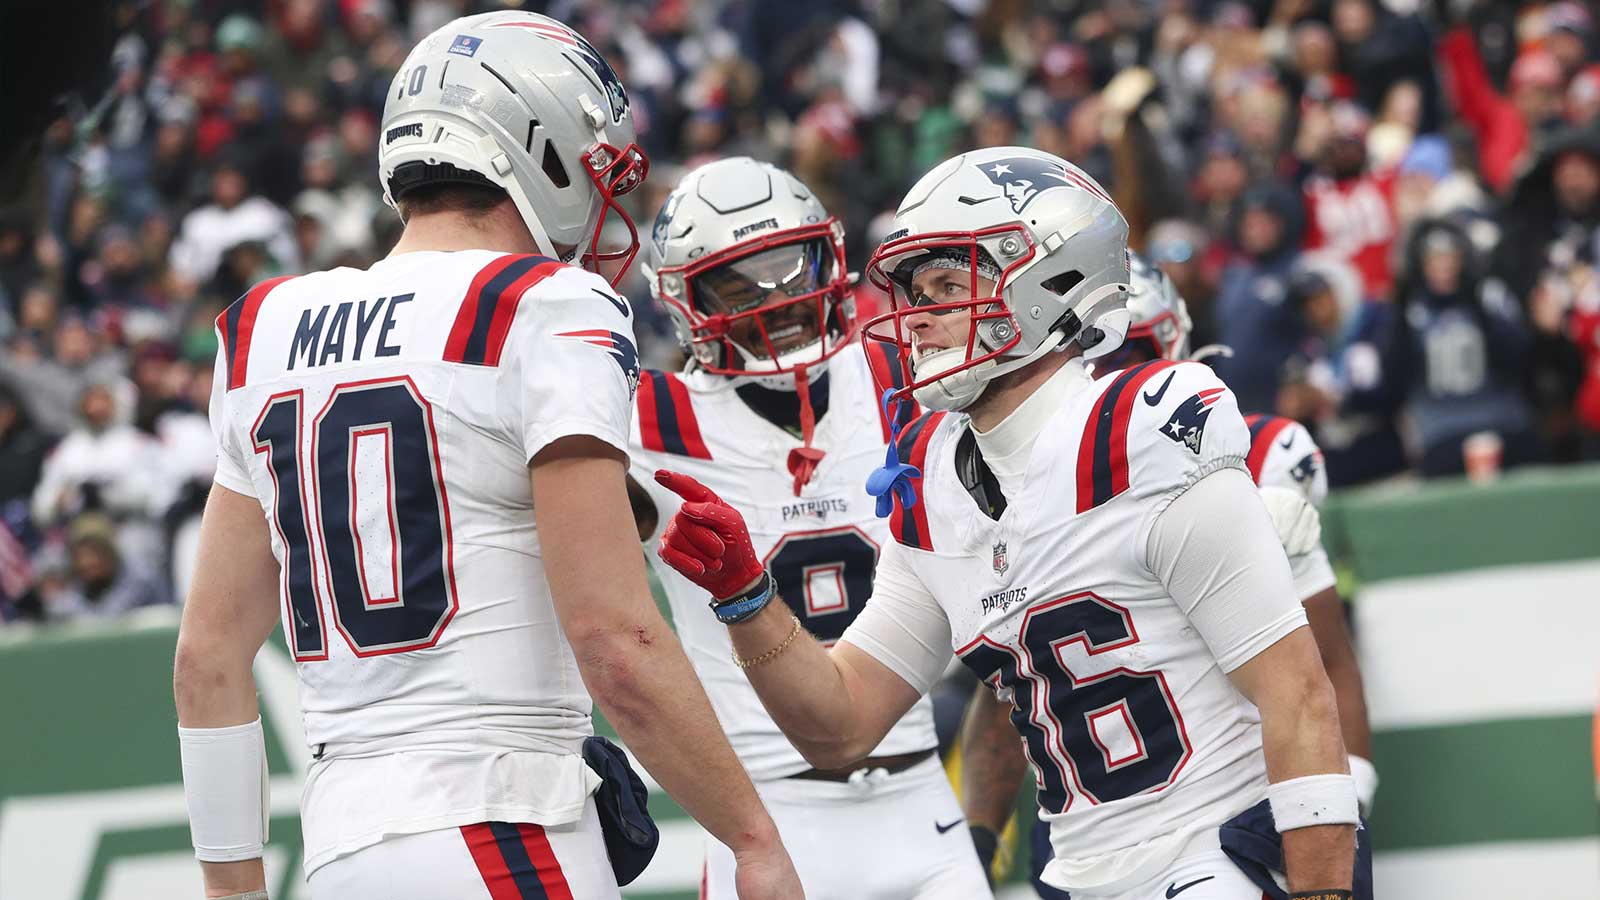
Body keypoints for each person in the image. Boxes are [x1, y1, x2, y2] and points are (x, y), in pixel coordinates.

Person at [171, 12, 800, 900]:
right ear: (536, 149)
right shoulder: (544, 305)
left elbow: (207, 658)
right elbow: (614, 639)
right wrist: (752, 837)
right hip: (500, 820)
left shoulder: (265, 327)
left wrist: (232, 892)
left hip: (343, 849)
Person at [651, 147, 1367, 899]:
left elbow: (1298, 694)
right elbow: (840, 723)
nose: (918, 316)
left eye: (947, 284)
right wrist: (747, 598)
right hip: (1078, 873)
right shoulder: (931, 477)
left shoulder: (1141, 431)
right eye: (916, 290)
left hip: (1217, 853)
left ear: (1048, 282)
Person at [628, 155, 991, 899]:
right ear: (683, 300)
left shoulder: (902, 374)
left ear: (830, 257)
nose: (780, 300)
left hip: (922, 792)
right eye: (739, 284)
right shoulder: (646, 420)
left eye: (794, 269)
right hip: (769, 812)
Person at [957, 254, 1377, 894]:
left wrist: (1346, 789)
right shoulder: (1014, 485)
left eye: (1139, 352)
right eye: (1097, 358)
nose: (1117, 377)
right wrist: (978, 839)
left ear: (1179, 346)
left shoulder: (1242, 452)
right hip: (1088, 817)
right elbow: (1009, 686)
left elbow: (1326, 663)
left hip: (1235, 807)